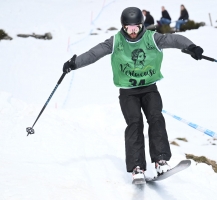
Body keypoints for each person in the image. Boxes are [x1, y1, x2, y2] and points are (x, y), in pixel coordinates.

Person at [62, 7, 203, 182]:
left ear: (142, 25)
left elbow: (174, 39)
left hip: (150, 88)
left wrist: (191, 47)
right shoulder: (115, 42)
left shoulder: (153, 38)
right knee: (135, 124)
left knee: (156, 118)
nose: (133, 32)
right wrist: (74, 63)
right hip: (128, 92)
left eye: (136, 27)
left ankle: (160, 161)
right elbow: (93, 54)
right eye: (129, 28)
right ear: (123, 27)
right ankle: (137, 167)